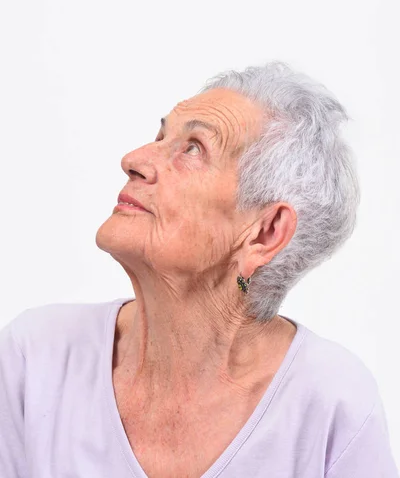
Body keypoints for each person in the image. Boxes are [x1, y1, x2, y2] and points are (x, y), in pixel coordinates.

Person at [0, 61, 398, 478]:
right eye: (160, 135)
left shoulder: (333, 405)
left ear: (264, 233)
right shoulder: (35, 358)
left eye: (193, 148)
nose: (133, 159)